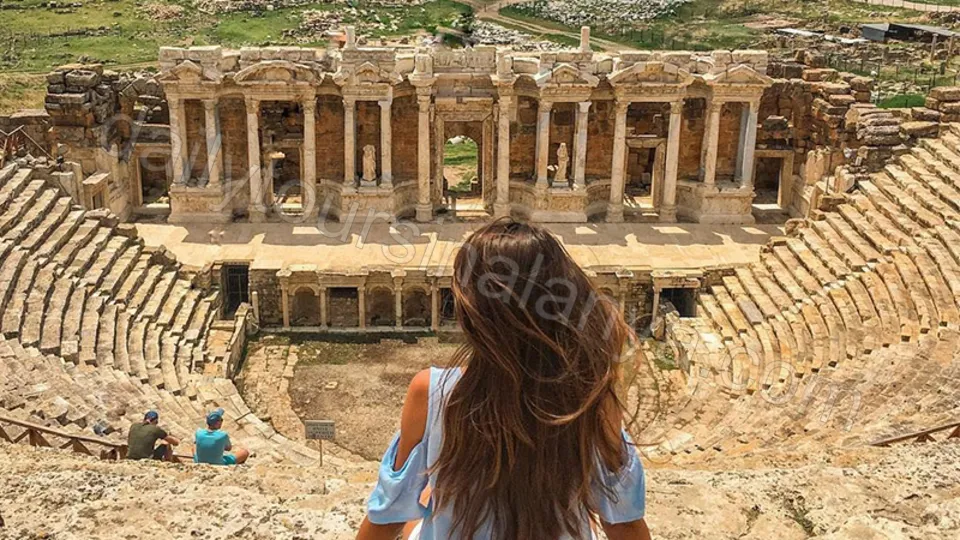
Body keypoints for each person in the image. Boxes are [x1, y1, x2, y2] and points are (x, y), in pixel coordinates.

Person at [358, 219, 651, 540]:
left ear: (471, 312)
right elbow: (624, 522)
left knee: (424, 503)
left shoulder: (430, 391)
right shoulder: (591, 395)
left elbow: (388, 516)